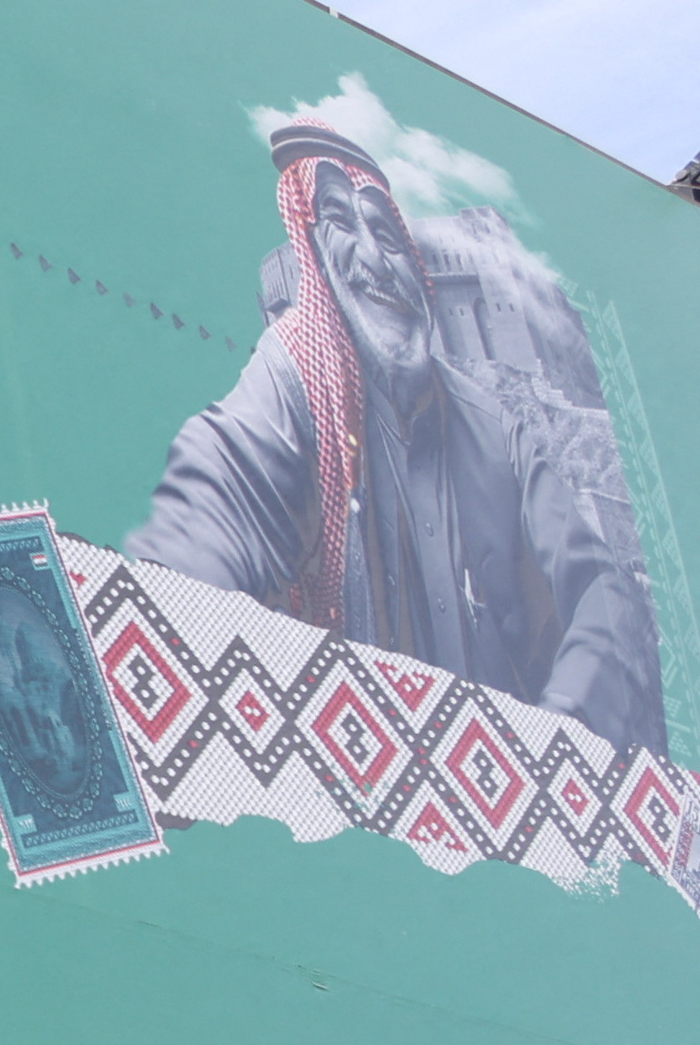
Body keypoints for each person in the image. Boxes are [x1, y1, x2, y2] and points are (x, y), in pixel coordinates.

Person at [135, 115, 661, 755]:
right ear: (314, 264)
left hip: (500, 786)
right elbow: (218, 496)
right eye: (339, 224)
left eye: (387, 234)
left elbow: (605, 594)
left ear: (418, 269)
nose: (373, 260)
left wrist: (555, 738)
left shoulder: (497, 430)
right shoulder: (294, 382)